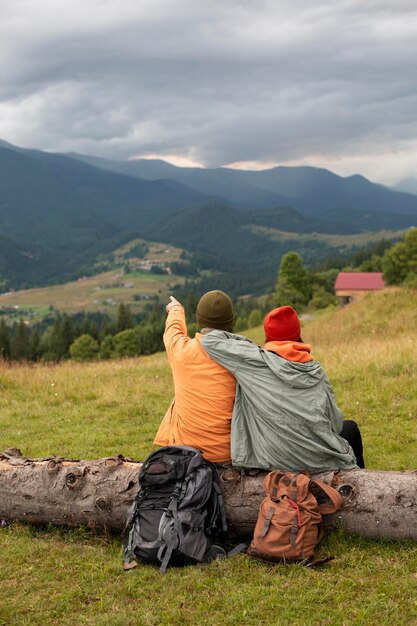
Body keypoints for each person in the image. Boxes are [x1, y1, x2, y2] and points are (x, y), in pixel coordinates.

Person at [200, 305, 364, 472]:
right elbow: (335, 424)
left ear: (267, 336)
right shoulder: (316, 372)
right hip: (317, 462)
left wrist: (251, 346)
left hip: (271, 461)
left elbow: (209, 340)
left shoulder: (253, 363)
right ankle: (361, 481)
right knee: (350, 428)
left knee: (350, 429)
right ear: (298, 335)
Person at [153, 290, 236, 463]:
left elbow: (173, 332)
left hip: (186, 451)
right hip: (229, 452)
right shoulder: (241, 355)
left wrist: (176, 309)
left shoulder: (181, 351)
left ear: (199, 319)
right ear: (230, 320)